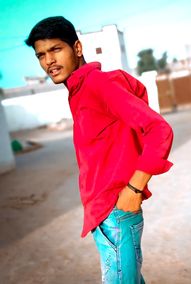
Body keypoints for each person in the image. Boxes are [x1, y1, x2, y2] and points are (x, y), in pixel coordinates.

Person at [25, 16, 173, 284]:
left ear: (77, 48)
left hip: (117, 211)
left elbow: (159, 130)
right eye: (41, 55)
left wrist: (134, 189)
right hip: (104, 214)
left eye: (56, 49)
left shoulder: (97, 84)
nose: (49, 61)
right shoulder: (78, 91)